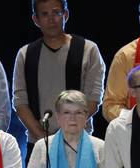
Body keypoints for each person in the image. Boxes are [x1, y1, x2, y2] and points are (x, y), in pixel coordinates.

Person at [13, 0, 105, 155]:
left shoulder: (88, 49)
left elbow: (94, 99)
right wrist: (44, 139)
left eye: (56, 13)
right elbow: (20, 101)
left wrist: (68, 132)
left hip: (80, 142)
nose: (51, 19)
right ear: (36, 19)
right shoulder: (26, 54)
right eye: (45, 14)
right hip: (38, 144)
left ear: (66, 15)